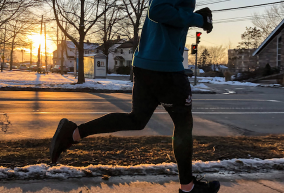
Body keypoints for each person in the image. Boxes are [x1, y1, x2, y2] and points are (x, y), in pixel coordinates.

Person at [50, 0, 220, 192]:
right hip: (165, 68)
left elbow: (167, 18)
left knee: (137, 120)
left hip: (147, 65)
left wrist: (194, 16)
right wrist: (197, 19)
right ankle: (188, 188)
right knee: (183, 125)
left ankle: (72, 134)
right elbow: (157, 10)